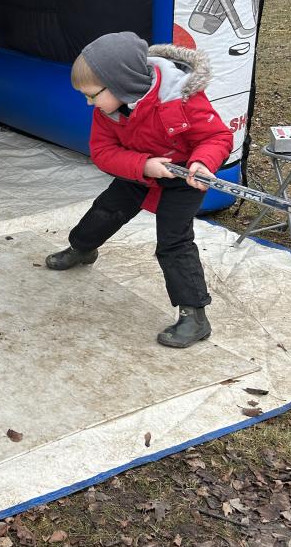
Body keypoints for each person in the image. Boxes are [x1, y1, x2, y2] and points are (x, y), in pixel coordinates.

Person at [46, 32, 233, 349]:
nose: (89, 102)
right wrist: (142, 166)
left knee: (174, 242)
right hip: (139, 171)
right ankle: (82, 249)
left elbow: (218, 138)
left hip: (183, 178)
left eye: (93, 94)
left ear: (121, 84)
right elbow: (102, 152)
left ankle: (195, 316)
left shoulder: (183, 99)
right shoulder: (108, 110)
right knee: (106, 211)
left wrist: (203, 163)